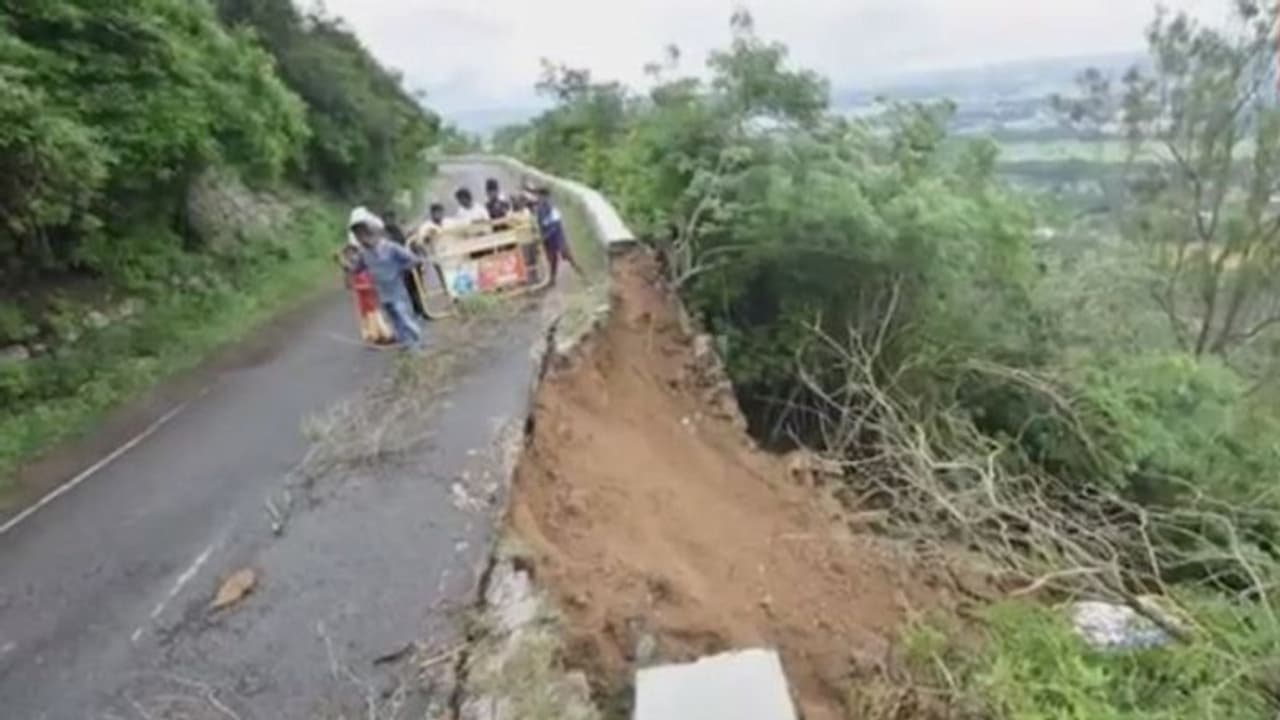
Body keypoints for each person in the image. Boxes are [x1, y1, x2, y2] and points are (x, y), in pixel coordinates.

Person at [343, 208, 424, 349]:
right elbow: (356, 269)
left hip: (397, 290)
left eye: (361, 234)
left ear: (371, 232)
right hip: (382, 293)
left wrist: (400, 270)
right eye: (357, 235)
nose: (360, 238)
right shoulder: (364, 254)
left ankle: (417, 340)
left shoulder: (390, 247)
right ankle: (406, 344)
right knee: (394, 319)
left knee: (403, 316)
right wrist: (347, 268)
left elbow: (413, 260)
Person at [531, 185, 587, 287]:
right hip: (548, 241)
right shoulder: (538, 210)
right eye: (539, 196)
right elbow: (540, 226)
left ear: (546, 196)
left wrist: (543, 237)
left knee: (570, 258)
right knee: (553, 262)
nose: (540, 198)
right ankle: (552, 281)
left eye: (541, 196)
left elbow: (556, 226)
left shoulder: (553, 209)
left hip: (557, 238)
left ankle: (584, 278)